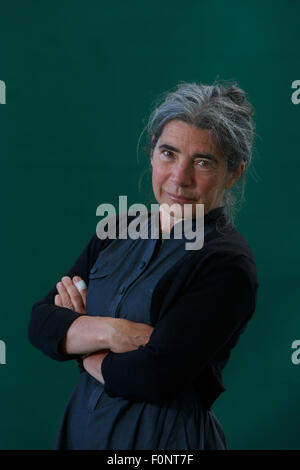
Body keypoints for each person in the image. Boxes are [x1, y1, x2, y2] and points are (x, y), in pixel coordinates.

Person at [28, 81, 258, 450]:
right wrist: (113, 332)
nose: (179, 178)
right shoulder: (116, 228)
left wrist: (80, 338)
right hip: (81, 434)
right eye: (169, 153)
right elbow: (41, 322)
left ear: (234, 173)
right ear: (152, 151)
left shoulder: (227, 263)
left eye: (202, 162)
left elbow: (154, 375)